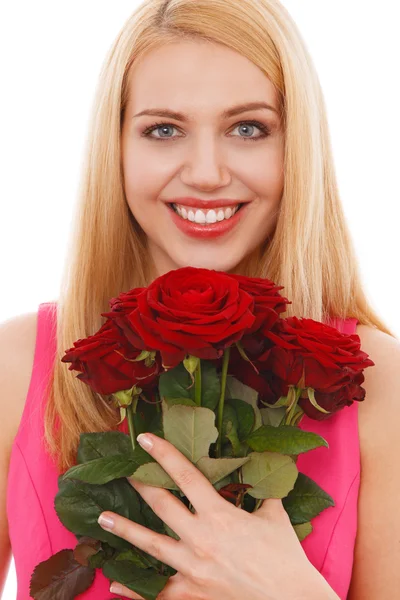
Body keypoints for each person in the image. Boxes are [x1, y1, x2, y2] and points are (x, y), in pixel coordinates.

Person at [1, 0, 399, 598]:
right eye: (164, 129)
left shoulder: (381, 384)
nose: (208, 173)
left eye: (248, 128)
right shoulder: (16, 363)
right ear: (118, 149)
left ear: (296, 148)